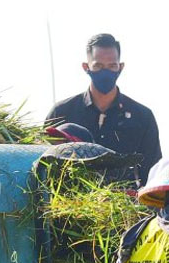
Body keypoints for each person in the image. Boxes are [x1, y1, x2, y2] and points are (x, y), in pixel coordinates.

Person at [44, 33, 161, 186]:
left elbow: (154, 171)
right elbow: (42, 162)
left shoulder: (142, 116)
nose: (105, 72)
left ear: (121, 67)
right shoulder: (62, 112)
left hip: (126, 204)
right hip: (68, 201)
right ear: (86, 67)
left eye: (112, 66)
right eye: (98, 66)